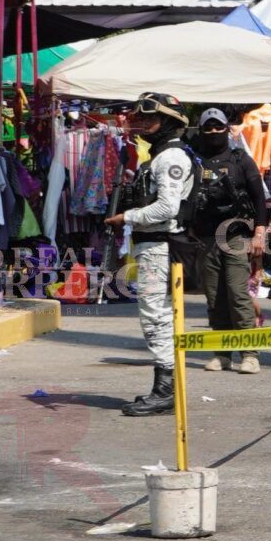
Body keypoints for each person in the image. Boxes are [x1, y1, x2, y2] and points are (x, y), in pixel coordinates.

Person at [103, 92, 194, 417]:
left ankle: (166, 391)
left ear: (168, 122)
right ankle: (164, 387)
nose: (138, 123)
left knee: (155, 316)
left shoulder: (170, 158)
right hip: (150, 244)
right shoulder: (156, 157)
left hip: (159, 245)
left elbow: (167, 207)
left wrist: (125, 218)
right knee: (156, 315)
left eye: (146, 117)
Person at [182, 108, 270, 375]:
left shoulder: (240, 158)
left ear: (227, 128)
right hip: (205, 238)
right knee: (214, 297)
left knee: (238, 294)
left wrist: (259, 233)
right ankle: (222, 353)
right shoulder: (193, 160)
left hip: (236, 236)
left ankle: (249, 354)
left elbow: (258, 198)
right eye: (207, 128)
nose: (213, 132)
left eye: (217, 127)